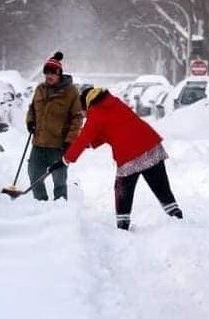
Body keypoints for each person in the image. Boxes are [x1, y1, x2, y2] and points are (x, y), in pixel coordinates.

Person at [52, 86, 184, 230]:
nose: (83, 115)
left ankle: (122, 227)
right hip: (152, 148)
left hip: (130, 156)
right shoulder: (112, 102)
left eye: (82, 112)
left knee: (122, 191)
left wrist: (65, 160)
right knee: (161, 189)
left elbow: (84, 138)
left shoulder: (96, 113)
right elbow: (108, 130)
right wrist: (84, 145)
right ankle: (178, 221)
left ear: (86, 104)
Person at [25, 51, 83, 200]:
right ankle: (41, 204)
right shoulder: (40, 89)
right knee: (34, 174)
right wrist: (30, 121)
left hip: (59, 146)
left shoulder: (71, 92)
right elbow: (32, 108)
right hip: (38, 143)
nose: (49, 76)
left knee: (59, 181)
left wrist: (70, 141)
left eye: (52, 73)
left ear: (59, 74)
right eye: (46, 73)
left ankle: (61, 210)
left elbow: (77, 118)